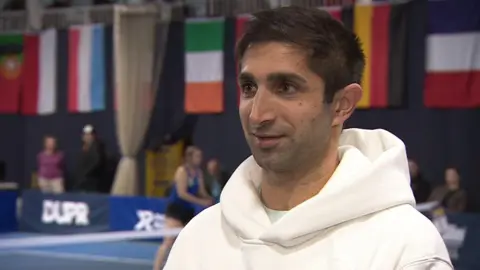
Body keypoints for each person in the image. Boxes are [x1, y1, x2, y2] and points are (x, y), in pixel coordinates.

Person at [164, 6, 452, 270]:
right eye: (249, 87)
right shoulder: (198, 238)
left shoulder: (407, 248)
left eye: (286, 87)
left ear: (342, 104)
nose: (257, 115)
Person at [168, 146, 213, 214]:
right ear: (190, 158)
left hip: (189, 206)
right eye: (197, 156)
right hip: (176, 207)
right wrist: (201, 201)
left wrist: (210, 199)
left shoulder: (199, 172)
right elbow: (182, 194)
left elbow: (201, 191)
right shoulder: (182, 171)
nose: (200, 159)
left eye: (201, 156)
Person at [153, 202, 195, 270]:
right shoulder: (163, 249)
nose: (169, 235)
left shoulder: (192, 250)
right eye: (167, 226)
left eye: (173, 228)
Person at [74, 125, 107, 192]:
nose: (87, 137)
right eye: (86, 135)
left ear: (93, 136)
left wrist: (86, 174)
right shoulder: (84, 148)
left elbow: (96, 162)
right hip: (83, 184)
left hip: (93, 184)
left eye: (89, 135)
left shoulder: (98, 148)